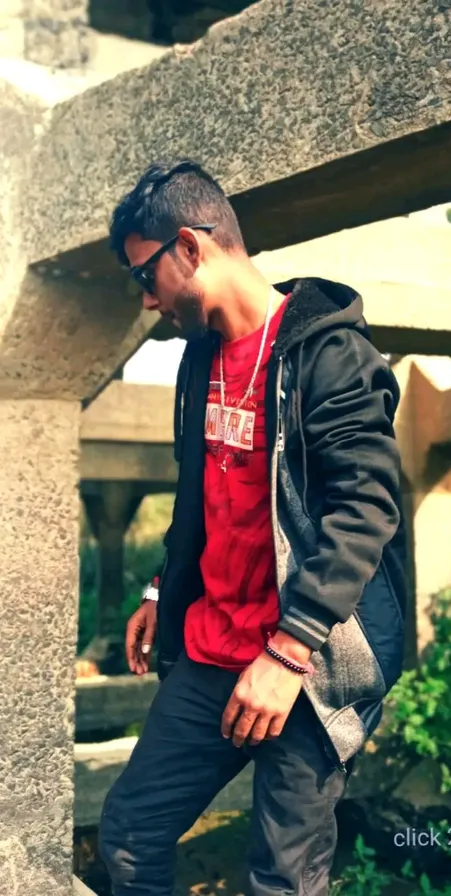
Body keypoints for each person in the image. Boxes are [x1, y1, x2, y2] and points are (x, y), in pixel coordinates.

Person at [99, 159, 407, 896]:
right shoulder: (201, 357)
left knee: (282, 881)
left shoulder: (328, 354)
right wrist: (158, 585)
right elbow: (204, 494)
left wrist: (289, 651)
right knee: (130, 837)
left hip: (307, 667)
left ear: (191, 246)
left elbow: (365, 510)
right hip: (214, 651)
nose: (146, 303)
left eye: (146, 277)